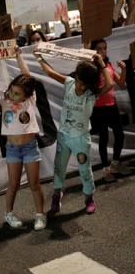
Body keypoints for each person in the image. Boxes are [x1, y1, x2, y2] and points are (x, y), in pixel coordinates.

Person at [35, 51, 112, 214]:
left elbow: (110, 84)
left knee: (84, 169)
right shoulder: (70, 82)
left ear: (90, 84)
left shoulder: (92, 94)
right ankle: (56, 194)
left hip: (81, 139)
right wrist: (39, 57)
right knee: (59, 167)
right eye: (78, 80)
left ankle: (89, 197)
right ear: (75, 76)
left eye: (83, 84)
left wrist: (102, 63)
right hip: (63, 136)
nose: (79, 85)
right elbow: (50, 72)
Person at [0, 47, 46, 230]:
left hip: (30, 147)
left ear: (28, 95)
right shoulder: (4, 99)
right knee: (13, 184)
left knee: (34, 184)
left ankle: (40, 215)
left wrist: (18, 55)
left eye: (17, 94)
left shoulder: (30, 100)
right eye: (12, 91)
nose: (12, 95)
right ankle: (9, 213)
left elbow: (26, 74)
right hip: (13, 150)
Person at [90, 39, 131, 182]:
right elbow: (93, 90)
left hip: (112, 106)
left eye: (104, 48)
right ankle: (106, 169)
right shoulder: (91, 67)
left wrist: (124, 69)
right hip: (99, 108)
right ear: (93, 51)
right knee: (104, 138)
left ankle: (115, 163)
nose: (102, 51)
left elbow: (121, 83)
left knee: (119, 135)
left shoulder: (108, 64)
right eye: (99, 49)